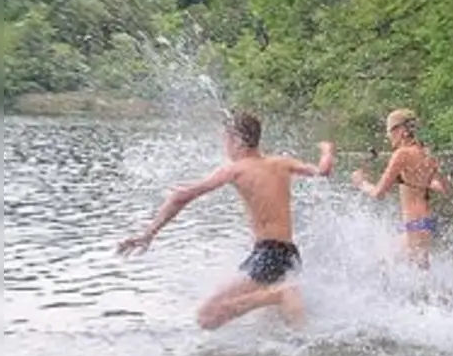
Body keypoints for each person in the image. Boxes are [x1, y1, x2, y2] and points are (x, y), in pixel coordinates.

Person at [117, 112, 334, 330]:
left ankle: (280, 294)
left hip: (269, 255)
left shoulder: (236, 169)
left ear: (237, 140)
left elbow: (180, 196)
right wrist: (327, 150)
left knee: (208, 317)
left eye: (225, 139)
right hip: (289, 254)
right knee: (279, 330)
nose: (224, 146)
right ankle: (278, 299)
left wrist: (148, 234)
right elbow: (323, 172)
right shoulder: (282, 162)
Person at [351, 108, 450, 267]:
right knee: (419, 271)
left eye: (390, 130)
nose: (388, 135)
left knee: (382, 263)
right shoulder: (426, 152)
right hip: (428, 223)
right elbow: (444, 188)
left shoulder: (402, 154)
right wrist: (422, 183)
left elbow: (378, 193)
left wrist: (361, 183)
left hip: (414, 224)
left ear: (401, 130)